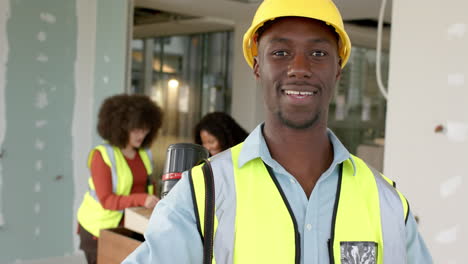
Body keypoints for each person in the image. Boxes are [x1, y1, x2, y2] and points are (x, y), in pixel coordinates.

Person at [123, 0, 433, 263]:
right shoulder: (203, 193)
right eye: (281, 53)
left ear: (338, 69)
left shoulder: (386, 202)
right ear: (257, 67)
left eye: (318, 53)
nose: (299, 67)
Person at [76, 93, 163, 264]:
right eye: (136, 130)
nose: (142, 135)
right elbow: (107, 200)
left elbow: (148, 186)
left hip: (131, 226)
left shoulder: (144, 154)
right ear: (121, 127)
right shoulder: (102, 156)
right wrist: (142, 199)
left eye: (145, 129)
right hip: (98, 229)